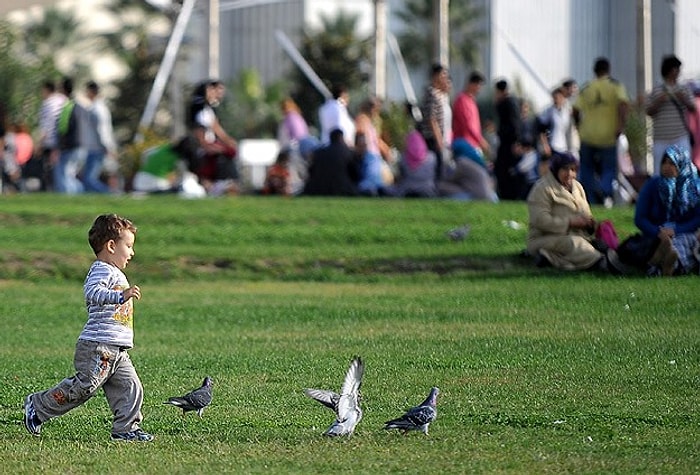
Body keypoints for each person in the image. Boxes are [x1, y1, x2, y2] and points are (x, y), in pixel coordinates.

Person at [23, 214, 153, 442]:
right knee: (85, 387)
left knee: (131, 387)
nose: (132, 253)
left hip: (117, 349)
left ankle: (126, 430)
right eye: (129, 246)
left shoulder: (115, 272)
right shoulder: (102, 269)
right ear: (111, 246)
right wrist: (120, 295)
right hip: (98, 345)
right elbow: (91, 293)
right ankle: (38, 405)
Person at [526, 151, 623, 272]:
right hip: (544, 238)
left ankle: (550, 257)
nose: (570, 174)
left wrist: (589, 224)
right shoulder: (542, 189)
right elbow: (540, 220)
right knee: (574, 243)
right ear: (556, 169)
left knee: (597, 244)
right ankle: (601, 262)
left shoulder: (577, 187)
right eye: (565, 169)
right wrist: (570, 223)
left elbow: (586, 212)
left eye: (573, 169)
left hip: (578, 236)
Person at [633, 145, 700, 276]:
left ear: (681, 165)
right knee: (664, 244)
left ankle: (663, 265)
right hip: (657, 234)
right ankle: (669, 264)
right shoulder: (652, 185)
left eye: (672, 163)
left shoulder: (693, 189)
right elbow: (640, 218)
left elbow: (698, 219)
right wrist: (657, 232)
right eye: (664, 162)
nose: (666, 166)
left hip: (684, 232)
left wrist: (676, 230)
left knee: (682, 242)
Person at [573, 57, 629, 207]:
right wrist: (620, 125)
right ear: (608, 69)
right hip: (608, 135)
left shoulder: (586, 87)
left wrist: (578, 126)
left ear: (594, 70)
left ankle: (590, 198)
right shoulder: (615, 86)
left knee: (586, 168)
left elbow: (575, 110)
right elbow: (623, 104)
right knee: (608, 168)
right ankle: (604, 194)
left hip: (588, 134)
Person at [645, 55, 696, 175]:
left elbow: (693, 108)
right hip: (661, 138)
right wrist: (660, 101)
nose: (678, 72)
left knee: (683, 170)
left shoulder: (683, 89)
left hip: (680, 136)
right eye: (676, 69)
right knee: (659, 171)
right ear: (670, 70)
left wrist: (683, 99)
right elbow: (648, 111)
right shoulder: (657, 90)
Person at [187, 80, 238, 195]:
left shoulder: (209, 109)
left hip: (210, 143)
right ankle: (214, 186)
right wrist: (209, 146)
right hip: (203, 147)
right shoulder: (199, 109)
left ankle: (223, 184)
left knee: (230, 152)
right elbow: (199, 132)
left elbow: (216, 127)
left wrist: (228, 141)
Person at [81, 81, 118, 193]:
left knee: (88, 179)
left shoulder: (97, 110)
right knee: (88, 179)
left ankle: (110, 194)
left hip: (97, 148)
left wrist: (106, 146)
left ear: (91, 92)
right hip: (95, 147)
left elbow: (102, 130)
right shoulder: (97, 108)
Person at [493, 79, 526, 200]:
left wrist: (516, 142)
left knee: (504, 171)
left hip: (508, 143)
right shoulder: (513, 102)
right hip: (510, 142)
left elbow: (513, 125)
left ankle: (507, 196)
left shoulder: (507, 103)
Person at [419, 63, 451, 181]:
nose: (444, 78)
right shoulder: (431, 94)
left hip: (439, 137)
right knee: (437, 165)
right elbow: (432, 119)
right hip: (432, 138)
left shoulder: (439, 95)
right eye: (442, 75)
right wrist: (438, 139)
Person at [53, 77, 86, 194]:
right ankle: (80, 195)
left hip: (69, 147)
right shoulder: (79, 106)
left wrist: (58, 147)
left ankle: (68, 197)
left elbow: (62, 129)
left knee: (62, 173)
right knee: (71, 175)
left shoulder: (66, 107)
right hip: (80, 146)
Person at [303, 128, 358, 196]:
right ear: (341, 138)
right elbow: (354, 174)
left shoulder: (319, 153)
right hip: (342, 189)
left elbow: (311, 171)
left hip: (318, 189)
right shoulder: (347, 152)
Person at [386, 129, 437, 198]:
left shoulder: (404, 158)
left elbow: (400, 176)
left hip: (407, 189)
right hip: (427, 189)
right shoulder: (432, 156)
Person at [452, 71, 489, 159]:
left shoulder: (471, 101)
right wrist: (481, 141)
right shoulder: (462, 100)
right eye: (477, 85)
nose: (479, 88)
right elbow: (468, 125)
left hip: (473, 145)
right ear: (471, 84)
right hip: (465, 146)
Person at [37, 80, 67, 191]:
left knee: (48, 170)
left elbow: (46, 126)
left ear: (46, 90)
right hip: (64, 141)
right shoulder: (63, 100)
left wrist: (40, 143)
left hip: (50, 142)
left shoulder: (48, 104)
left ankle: (51, 189)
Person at [537, 86, 575, 160]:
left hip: (565, 148)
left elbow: (569, 131)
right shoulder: (549, 111)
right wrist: (545, 145)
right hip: (553, 146)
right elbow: (541, 129)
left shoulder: (568, 112)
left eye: (557, 98)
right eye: (554, 98)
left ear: (563, 98)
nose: (555, 100)